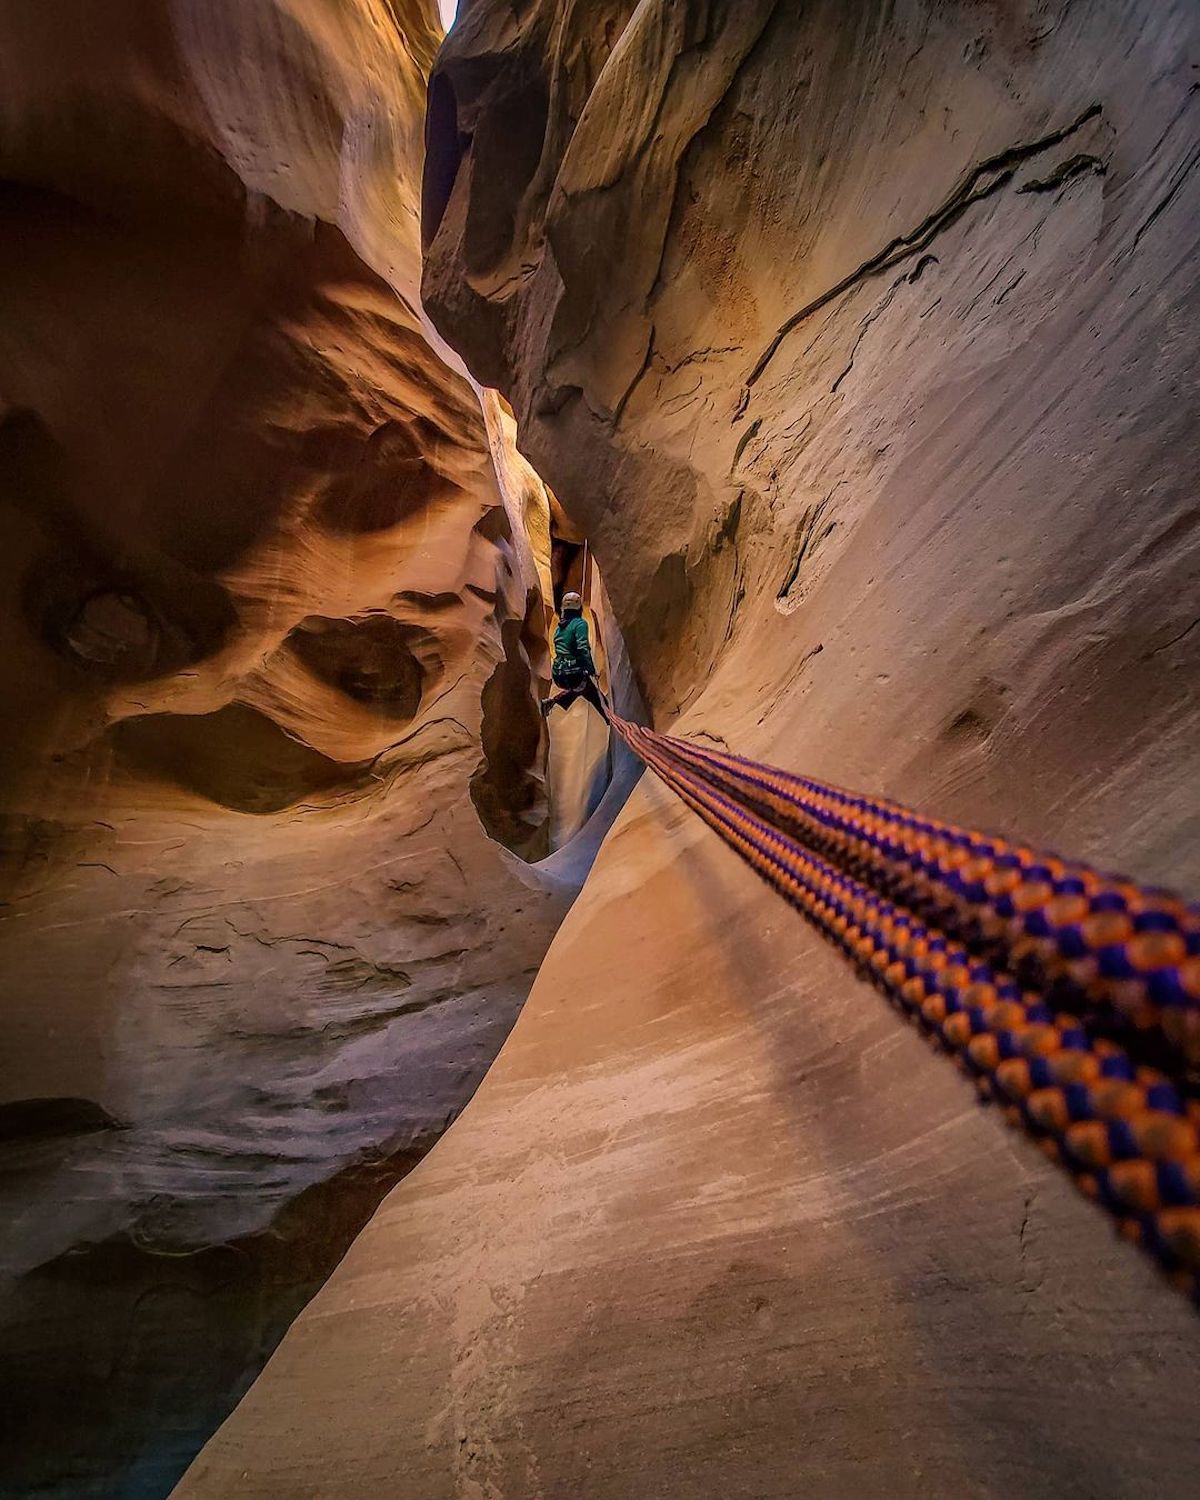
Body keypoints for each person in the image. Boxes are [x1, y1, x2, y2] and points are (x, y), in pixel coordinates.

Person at [542, 590, 607, 720]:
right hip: (573, 675)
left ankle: (552, 702)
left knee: (582, 688)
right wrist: (591, 669)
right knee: (595, 696)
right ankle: (609, 718)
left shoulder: (558, 629)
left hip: (559, 675)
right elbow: (583, 649)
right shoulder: (580, 624)